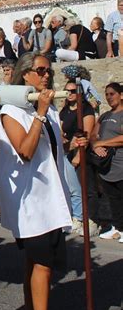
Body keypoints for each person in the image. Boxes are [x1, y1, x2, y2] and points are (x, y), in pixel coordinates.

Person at [0, 52, 76, 310]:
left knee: (36, 266)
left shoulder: (50, 109)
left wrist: (74, 142)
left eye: (49, 71)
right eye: (40, 71)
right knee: (41, 266)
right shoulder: (11, 111)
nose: (47, 76)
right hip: (31, 204)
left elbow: (55, 149)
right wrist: (41, 114)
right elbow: (26, 151)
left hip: (50, 199)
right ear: (25, 74)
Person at [59, 81, 96, 235]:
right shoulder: (65, 111)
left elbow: (86, 133)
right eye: (67, 91)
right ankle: (76, 217)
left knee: (85, 188)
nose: (70, 93)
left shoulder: (85, 109)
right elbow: (60, 129)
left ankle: (87, 220)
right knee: (70, 188)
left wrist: (79, 156)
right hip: (68, 151)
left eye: (73, 90)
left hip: (82, 152)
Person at [92, 83, 123, 242]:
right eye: (107, 94)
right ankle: (118, 229)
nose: (109, 97)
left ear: (121, 95)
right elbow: (93, 135)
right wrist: (95, 146)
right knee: (113, 200)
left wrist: (102, 143)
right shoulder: (104, 116)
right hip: (107, 168)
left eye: (112, 94)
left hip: (121, 166)